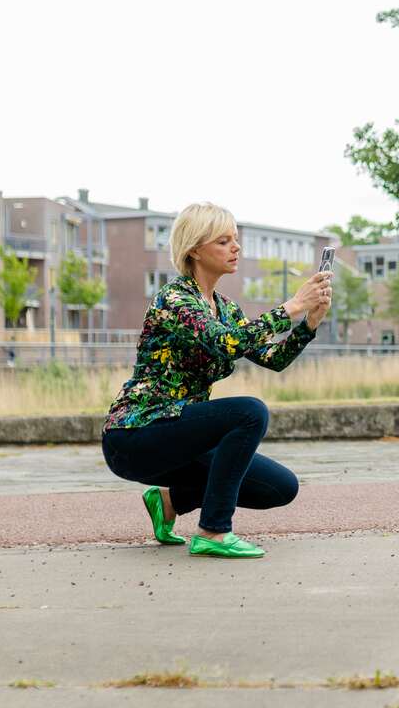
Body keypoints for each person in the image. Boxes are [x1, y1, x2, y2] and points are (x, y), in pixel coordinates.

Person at [100, 202, 332, 558]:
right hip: (135, 435)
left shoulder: (225, 308)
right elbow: (226, 343)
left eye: (235, 239)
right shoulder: (175, 300)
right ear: (194, 249)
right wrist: (292, 306)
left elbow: (273, 359)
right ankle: (213, 531)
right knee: (249, 412)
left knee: (279, 487)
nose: (236, 247)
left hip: (179, 437)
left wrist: (309, 322)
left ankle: (169, 502)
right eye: (223, 241)